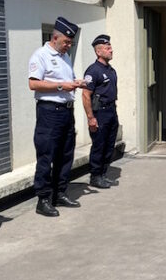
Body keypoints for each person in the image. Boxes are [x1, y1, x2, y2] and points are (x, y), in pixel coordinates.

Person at [28, 17, 86, 217]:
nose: (69, 46)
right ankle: (43, 199)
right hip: (49, 112)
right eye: (66, 42)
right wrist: (62, 86)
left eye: (70, 42)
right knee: (47, 155)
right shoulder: (41, 55)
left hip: (66, 112)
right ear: (55, 37)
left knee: (65, 154)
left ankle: (60, 193)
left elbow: (64, 81)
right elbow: (34, 84)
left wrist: (75, 83)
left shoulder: (65, 57)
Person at [83, 35, 119, 189]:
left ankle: (103, 174)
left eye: (110, 47)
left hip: (111, 111)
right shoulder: (93, 70)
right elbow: (85, 95)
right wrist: (91, 118)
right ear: (98, 52)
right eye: (107, 47)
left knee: (109, 145)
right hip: (100, 113)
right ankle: (95, 176)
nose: (111, 50)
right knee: (99, 145)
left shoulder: (111, 70)